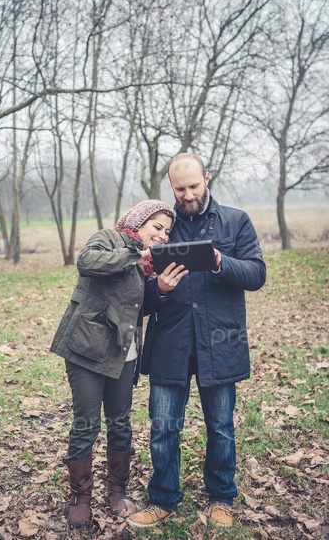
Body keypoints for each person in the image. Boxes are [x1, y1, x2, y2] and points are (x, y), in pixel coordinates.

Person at [128, 153, 267, 529]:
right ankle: (163, 500)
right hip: (170, 343)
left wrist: (220, 261)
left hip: (219, 341)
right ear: (170, 187)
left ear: (207, 178)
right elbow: (138, 299)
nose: (187, 195)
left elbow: (257, 274)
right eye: (180, 189)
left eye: (193, 186)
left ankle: (222, 498)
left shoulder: (236, 221)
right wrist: (159, 288)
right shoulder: (161, 229)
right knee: (163, 427)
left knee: (220, 427)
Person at [50, 200, 188, 529]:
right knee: (86, 423)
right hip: (87, 348)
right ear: (138, 222)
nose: (162, 235)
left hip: (125, 352)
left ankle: (117, 491)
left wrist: (161, 290)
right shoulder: (109, 240)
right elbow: (87, 262)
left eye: (167, 232)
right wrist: (134, 256)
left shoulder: (150, 264)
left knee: (120, 423)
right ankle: (81, 497)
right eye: (157, 227)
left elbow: (136, 307)